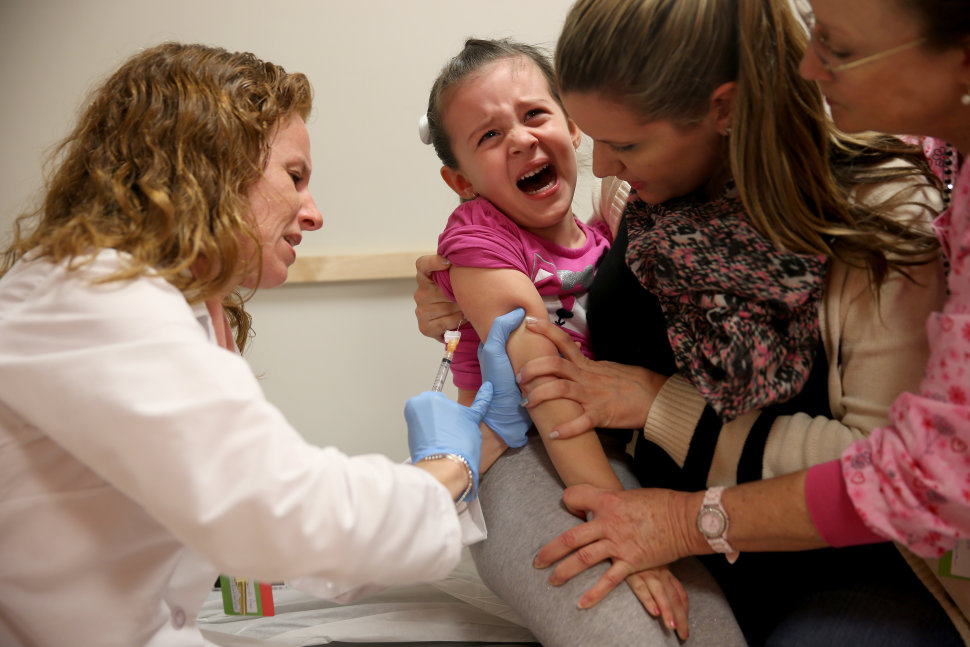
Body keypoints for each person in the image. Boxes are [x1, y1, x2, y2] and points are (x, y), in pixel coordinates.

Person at [415, 0, 965, 644]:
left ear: (722, 111)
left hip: (833, 559)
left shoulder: (885, 216)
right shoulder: (635, 192)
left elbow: (890, 467)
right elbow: (557, 311)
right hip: (653, 509)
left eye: (624, 143)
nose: (604, 165)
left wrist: (659, 414)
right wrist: (462, 287)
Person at [0, 42, 534, 647]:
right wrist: (449, 463)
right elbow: (278, 515)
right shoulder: (96, 300)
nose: (314, 214)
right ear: (209, 163)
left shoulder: (177, 307)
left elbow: (297, 542)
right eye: (295, 177)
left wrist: (476, 447)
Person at [419, 37, 745, 644]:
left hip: (619, 448)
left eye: (534, 114)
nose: (520, 139)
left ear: (574, 127)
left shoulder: (609, 232)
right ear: (459, 179)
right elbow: (546, 390)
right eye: (489, 135)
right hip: (525, 450)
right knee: (639, 619)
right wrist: (613, 514)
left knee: (704, 625)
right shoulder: (479, 240)